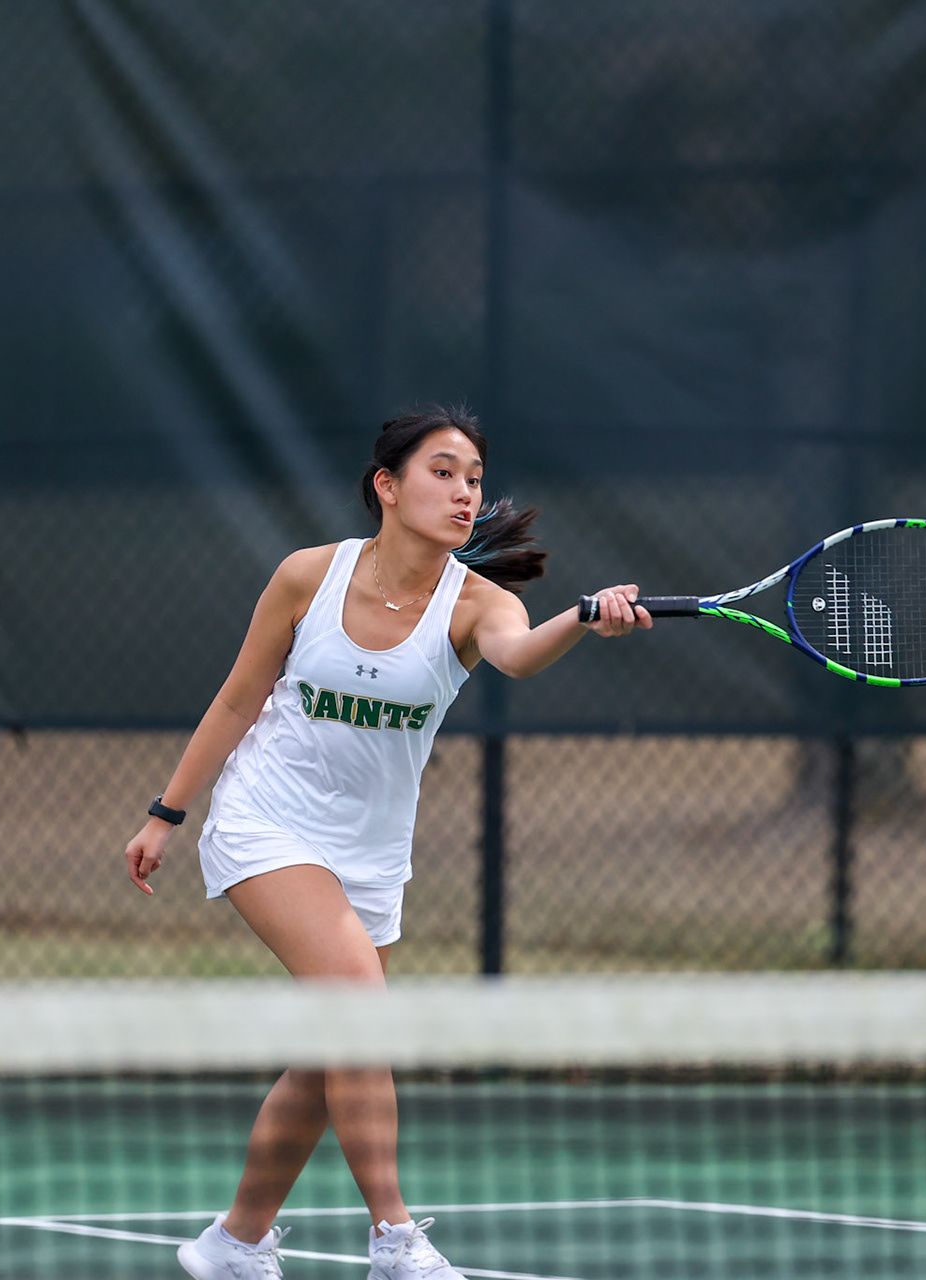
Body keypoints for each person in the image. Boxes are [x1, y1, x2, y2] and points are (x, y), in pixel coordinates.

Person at [124, 407, 650, 1280]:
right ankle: (395, 1242)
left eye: (473, 478)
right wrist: (165, 813)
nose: (464, 492)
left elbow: (519, 655)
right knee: (360, 1015)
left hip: (370, 855)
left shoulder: (479, 604)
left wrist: (583, 621)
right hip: (266, 820)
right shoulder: (308, 576)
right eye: (442, 472)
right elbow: (237, 699)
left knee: (330, 1054)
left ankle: (234, 1243)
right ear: (388, 485)